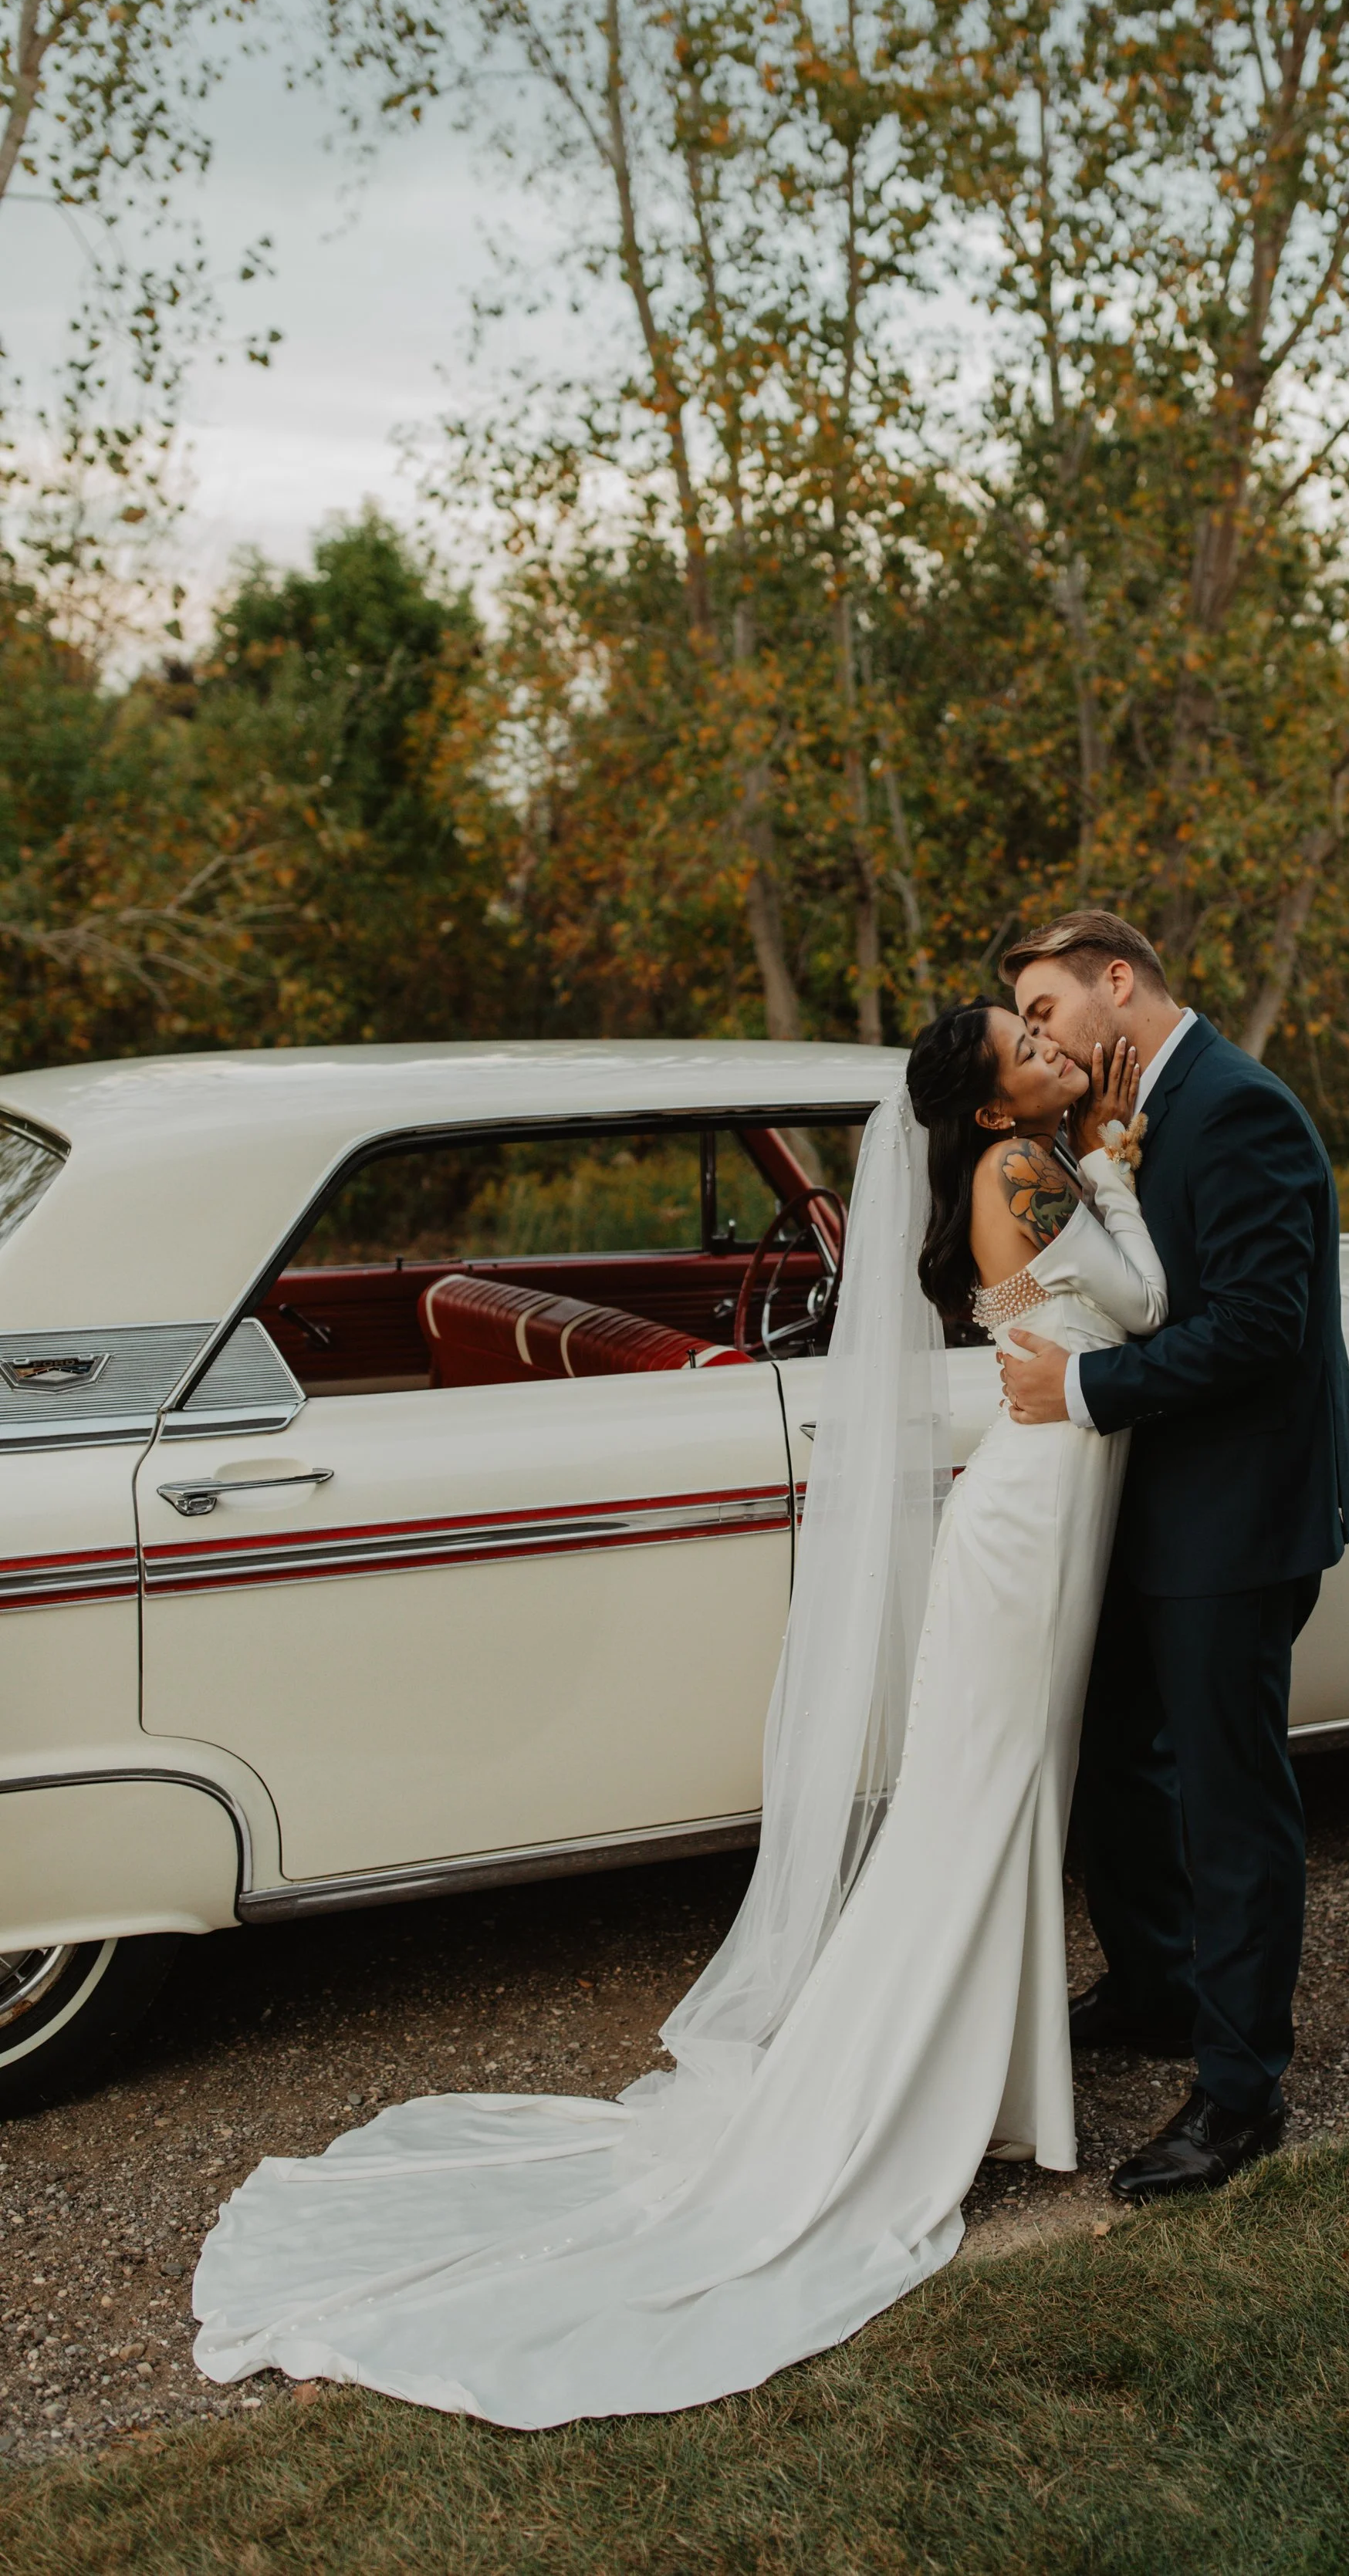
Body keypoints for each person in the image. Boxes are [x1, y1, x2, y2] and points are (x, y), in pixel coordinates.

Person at [190, 1006, 1165, 2429]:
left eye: (1048, 1024)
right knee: (991, 1793)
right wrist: (1121, 1162)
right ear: (992, 1092)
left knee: (1002, 1791)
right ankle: (910, 2102)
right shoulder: (1026, 1175)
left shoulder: (1021, 1167)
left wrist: (1095, 1152)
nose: (1053, 1038)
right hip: (1035, 1508)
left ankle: (994, 2086)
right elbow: (1139, 1309)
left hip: (1042, 1495)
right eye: (1029, 1034)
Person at [998, 910, 1349, 2203]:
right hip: (1149, 1504)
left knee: (1229, 1793)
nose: (1038, 1034)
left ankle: (1239, 2089)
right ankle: (1161, 1986)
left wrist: (1088, 1386)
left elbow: (1265, 1327)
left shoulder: (1241, 1107)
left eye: (1047, 1008)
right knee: (1114, 1750)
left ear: (1119, 981)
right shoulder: (1129, 1107)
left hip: (1239, 1509)